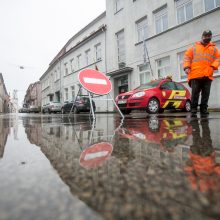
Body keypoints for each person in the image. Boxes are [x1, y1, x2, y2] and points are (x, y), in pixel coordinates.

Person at [183, 30, 220, 116]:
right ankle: (193, 109)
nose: (207, 37)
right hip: (195, 74)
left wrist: (212, 67)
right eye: (205, 36)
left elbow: (218, 58)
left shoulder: (214, 49)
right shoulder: (194, 47)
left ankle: (204, 109)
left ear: (211, 37)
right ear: (202, 37)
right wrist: (186, 67)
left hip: (208, 74)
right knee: (195, 93)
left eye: (209, 36)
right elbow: (187, 58)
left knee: (206, 94)